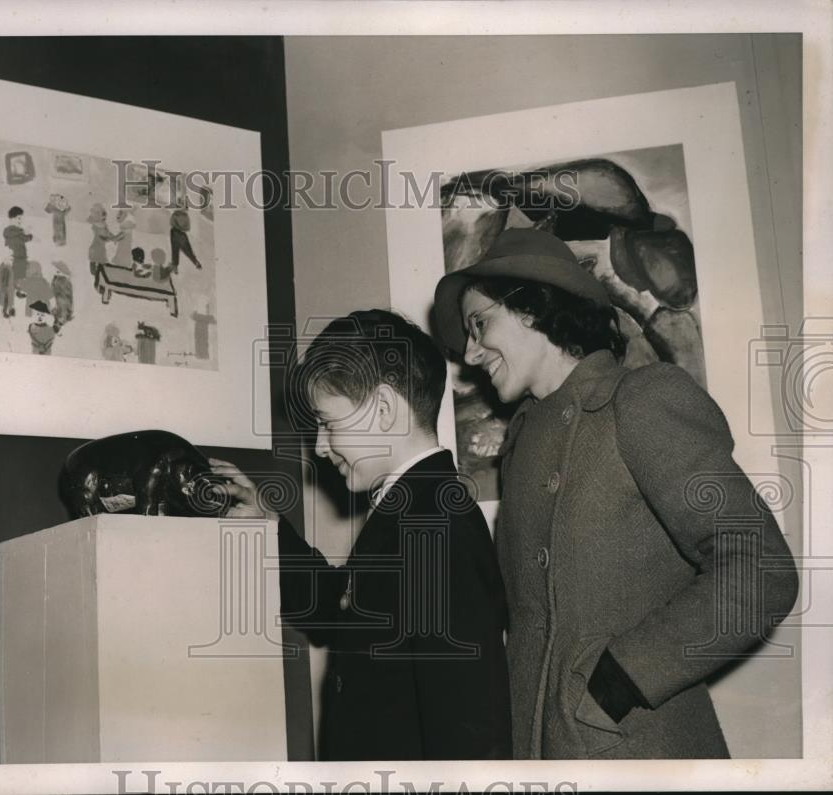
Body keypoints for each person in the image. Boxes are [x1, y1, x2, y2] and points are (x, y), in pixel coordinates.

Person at [432, 227, 799, 759]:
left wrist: (620, 681)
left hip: (636, 750)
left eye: (480, 324)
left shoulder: (644, 400)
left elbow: (761, 570)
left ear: (531, 308)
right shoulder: (522, 443)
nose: (469, 352)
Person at [211, 309, 512, 761]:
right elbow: (341, 613)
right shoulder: (410, 510)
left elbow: (467, 730)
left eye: (329, 423)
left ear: (385, 409)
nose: (319, 447)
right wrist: (267, 527)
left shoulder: (435, 525)